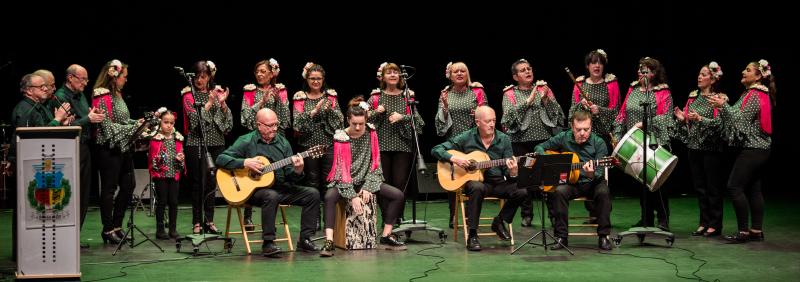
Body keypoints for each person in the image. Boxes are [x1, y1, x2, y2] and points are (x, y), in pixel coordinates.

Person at [216, 108, 320, 257]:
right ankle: (268, 242)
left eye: (276, 124)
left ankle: (305, 239)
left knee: (312, 194)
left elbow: (290, 175)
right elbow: (221, 159)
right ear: (259, 125)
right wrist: (244, 162)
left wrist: (298, 170)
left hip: (281, 188)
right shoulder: (246, 141)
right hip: (254, 192)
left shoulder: (283, 143)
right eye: (270, 125)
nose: (275, 128)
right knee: (271, 195)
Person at [319, 97, 407, 257]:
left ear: (366, 119)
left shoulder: (371, 133)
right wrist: (352, 196)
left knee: (398, 195)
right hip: (345, 181)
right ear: (348, 120)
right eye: (354, 124)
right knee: (329, 197)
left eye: (361, 123)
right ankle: (329, 241)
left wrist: (368, 186)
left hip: (366, 180)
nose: (358, 127)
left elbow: (375, 162)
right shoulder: (341, 137)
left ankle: (386, 236)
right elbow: (340, 171)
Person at [431, 105, 526, 251]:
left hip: (497, 182)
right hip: (475, 183)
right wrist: (455, 159)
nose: (492, 124)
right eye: (488, 121)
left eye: (494, 120)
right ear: (477, 122)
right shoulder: (466, 137)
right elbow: (436, 149)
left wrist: (513, 172)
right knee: (477, 187)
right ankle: (473, 235)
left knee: (522, 191)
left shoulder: (504, 139)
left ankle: (499, 221)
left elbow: (508, 173)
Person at [708, 59, 775, 243]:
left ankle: (743, 232)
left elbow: (741, 122)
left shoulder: (754, 95)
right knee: (754, 188)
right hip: (758, 148)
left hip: (754, 148)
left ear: (758, 76)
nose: (743, 72)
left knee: (734, 187)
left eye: (748, 70)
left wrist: (723, 106)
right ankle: (756, 231)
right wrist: (723, 105)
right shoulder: (752, 93)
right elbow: (737, 116)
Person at [534, 110, 613, 250]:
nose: (582, 133)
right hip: (572, 182)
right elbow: (539, 147)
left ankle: (603, 236)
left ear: (591, 127)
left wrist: (591, 174)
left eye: (586, 129)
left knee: (603, 192)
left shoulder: (599, 143)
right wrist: (547, 160)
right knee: (559, 192)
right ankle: (561, 237)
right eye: (578, 129)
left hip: (593, 182)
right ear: (572, 127)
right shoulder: (564, 137)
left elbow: (599, 172)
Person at [501, 58, 566, 227]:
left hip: (544, 142)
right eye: (523, 70)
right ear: (515, 77)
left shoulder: (544, 89)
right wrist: (528, 102)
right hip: (521, 142)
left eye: (529, 68)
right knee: (525, 179)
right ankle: (527, 214)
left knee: (549, 178)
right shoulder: (510, 94)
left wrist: (545, 100)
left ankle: (553, 215)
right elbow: (507, 120)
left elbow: (558, 115)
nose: (528, 71)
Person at [613, 57, 673, 231]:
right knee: (641, 183)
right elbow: (622, 114)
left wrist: (645, 124)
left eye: (645, 70)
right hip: (636, 143)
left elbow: (666, 117)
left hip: (655, 142)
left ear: (653, 73)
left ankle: (663, 219)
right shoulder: (632, 89)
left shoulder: (662, 92)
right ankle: (646, 218)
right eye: (639, 69)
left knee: (657, 182)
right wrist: (617, 136)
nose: (640, 72)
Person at [673, 62, 727, 237]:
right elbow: (688, 120)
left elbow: (720, 124)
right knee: (700, 188)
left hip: (711, 148)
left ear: (713, 79)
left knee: (713, 187)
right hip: (694, 147)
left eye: (704, 74)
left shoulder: (718, 98)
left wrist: (700, 119)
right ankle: (704, 222)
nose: (699, 77)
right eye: (699, 74)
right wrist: (683, 118)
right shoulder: (693, 97)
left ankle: (715, 224)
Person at [54, 64, 106, 247]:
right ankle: (65, 237)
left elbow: (82, 118)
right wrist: (87, 119)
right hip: (68, 148)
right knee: (70, 194)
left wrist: (92, 115)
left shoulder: (81, 95)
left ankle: (75, 236)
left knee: (83, 194)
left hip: (83, 146)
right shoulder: (60, 97)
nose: (85, 83)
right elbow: (65, 125)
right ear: (70, 78)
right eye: (82, 79)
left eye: (86, 79)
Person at [91, 59, 143, 244]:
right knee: (109, 189)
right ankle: (107, 229)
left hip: (123, 146)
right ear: (114, 76)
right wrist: (133, 128)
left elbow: (122, 121)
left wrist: (139, 123)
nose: (126, 80)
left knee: (129, 185)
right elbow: (108, 128)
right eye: (124, 76)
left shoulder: (118, 95)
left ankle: (117, 225)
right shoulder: (102, 95)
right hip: (109, 148)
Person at [367, 62, 424, 224]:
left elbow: (418, 120)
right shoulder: (376, 97)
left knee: (400, 183)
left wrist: (402, 117)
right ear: (383, 77)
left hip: (402, 145)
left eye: (395, 72)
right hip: (381, 145)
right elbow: (362, 119)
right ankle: (386, 217)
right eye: (389, 72)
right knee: (383, 184)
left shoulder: (406, 96)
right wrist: (376, 112)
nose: (393, 75)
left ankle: (397, 217)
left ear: (400, 76)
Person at [181, 60, 233, 234]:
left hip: (216, 142)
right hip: (197, 143)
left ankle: (209, 220)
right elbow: (194, 121)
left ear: (209, 77)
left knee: (211, 183)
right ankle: (197, 222)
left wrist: (223, 104)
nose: (199, 80)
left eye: (203, 77)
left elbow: (228, 125)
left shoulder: (216, 93)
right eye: (196, 77)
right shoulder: (189, 95)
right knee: (198, 183)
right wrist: (209, 103)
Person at [435, 61, 488, 228]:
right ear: (450, 76)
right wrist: (445, 107)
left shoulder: (477, 92)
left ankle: (470, 216)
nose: (459, 73)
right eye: (455, 71)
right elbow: (439, 122)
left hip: (474, 141)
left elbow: (487, 115)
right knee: (454, 179)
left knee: (473, 178)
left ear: (467, 74)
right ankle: (454, 215)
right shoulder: (445, 94)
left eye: (463, 71)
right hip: (454, 141)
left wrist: (478, 115)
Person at [240, 58, 291, 229]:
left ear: (272, 73)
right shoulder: (250, 91)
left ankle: (270, 220)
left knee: (274, 176)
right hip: (256, 137)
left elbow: (286, 120)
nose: (259, 74)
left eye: (263, 71)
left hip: (276, 137)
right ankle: (248, 215)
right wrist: (261, 102)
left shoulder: (280, 91)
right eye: (257, 71)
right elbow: (245, 118)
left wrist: (278, 101)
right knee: (254, 174)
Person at [292, 62, 342, 203]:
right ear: (307, 79)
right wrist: (313, 112)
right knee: (312, 181)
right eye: (312, 78)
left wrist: (329, 111)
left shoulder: (330, 97)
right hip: (308, 144)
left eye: (318, 78)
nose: (315, 81)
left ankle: (328, 213)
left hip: (328, 144)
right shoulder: (300, 98)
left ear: (323, 79)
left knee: (329, 181)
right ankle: (313, 213)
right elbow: (296, 124)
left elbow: (340, 122)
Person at [147, 110, 184, 240]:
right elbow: (153, 158)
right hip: (161, 175)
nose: (169, 125)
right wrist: (158, 161)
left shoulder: (177, 138)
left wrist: (180, 158)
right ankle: (160, 229)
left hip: (173, 173)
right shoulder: (156, 139)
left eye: (171, 123)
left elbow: (181, 154)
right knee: (162, 201)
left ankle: (173, 229)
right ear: (160, 122)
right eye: (166, 122)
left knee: (173, 202)